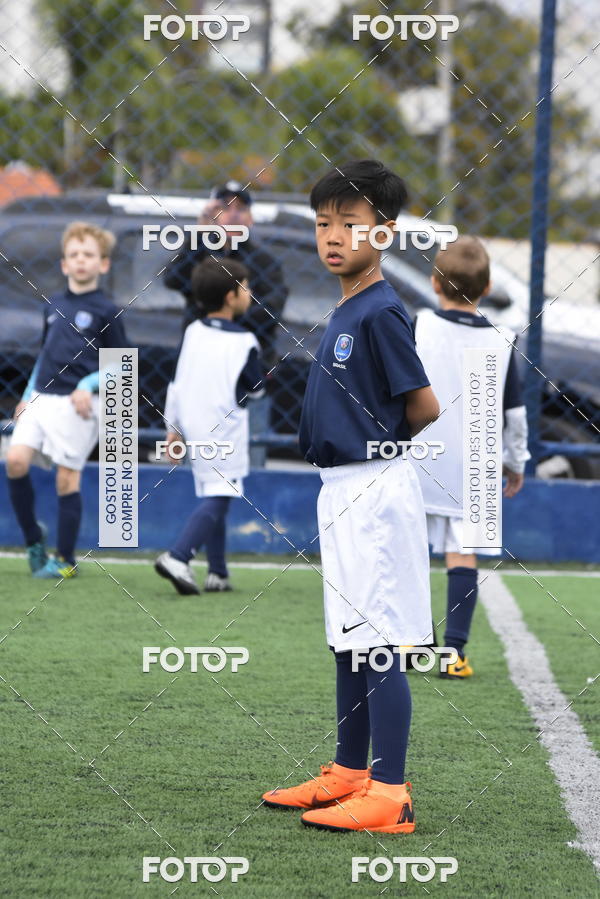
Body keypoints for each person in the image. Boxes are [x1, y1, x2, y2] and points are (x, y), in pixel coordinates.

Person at [261, 160, 440, 833]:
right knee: (348, 639)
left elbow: (424, 405)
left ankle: (391, 791)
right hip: (338, 489)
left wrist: (379, 444)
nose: (333, 235)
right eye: (323, 223)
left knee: (378, 641)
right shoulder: (345, 304)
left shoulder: (383, 310)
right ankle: (348, 770)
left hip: (373, 487)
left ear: (385, 234)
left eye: (350, 223)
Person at [414, 235, 529, 678]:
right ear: (488, 287)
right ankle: (454, 653)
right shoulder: (503, 340)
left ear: (434, 283)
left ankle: (415, 643)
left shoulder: (419, 324)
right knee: (464, 556)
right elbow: (514, 415)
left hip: (422, 457)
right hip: (477, 467)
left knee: (414, 552)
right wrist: (515, 462)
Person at [6, 221, 127, 578]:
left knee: (66, 479)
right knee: (15, 461)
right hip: (42, 398)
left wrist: (88, 385)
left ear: (103, 264)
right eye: (74, 254)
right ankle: (32, 540)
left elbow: (122, 365)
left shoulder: (107, 311)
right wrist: (28, 395)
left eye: (88, 254)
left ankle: (66, 558)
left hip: (79, 406)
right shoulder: (52, 304)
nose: (80, 260)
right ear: (63, 264)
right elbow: (45, 354)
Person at [154, 257, 264, 595]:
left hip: (192, 425)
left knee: (216, 493)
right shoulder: (246, 342)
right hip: (225, 429)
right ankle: (178, 556)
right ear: (231, 296)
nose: (250, 293)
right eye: (246, 287)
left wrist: (173, 429)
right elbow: (256, 390)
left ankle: (217, 572)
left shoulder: (193, 331)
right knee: (220, 494)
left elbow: (177, 382)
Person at [163, 181, 288, 366]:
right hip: (199, 359)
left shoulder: (264, 261)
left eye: (241, 208)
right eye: (225, 207)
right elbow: (172, 279)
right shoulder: (199, 252)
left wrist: (218, 318)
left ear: (250, 219)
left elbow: (271, 310)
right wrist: (199, 234)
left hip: (246, 365)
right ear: (213, 216)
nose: (233, 214)